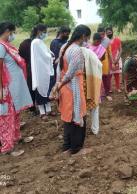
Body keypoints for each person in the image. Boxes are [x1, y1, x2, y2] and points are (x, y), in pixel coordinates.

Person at [53, 25, 91, 155]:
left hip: (65, 87)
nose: (87, 40)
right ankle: (76, 149)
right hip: (73, 87)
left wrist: (58, 84)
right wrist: (61, 83)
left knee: (68, 117)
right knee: (78, 117)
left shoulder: (65, 47)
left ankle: (67, 146)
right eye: (87, 37)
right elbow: (71, 73)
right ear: (83, 36)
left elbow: (59, 68)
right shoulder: (76, 51)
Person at [0, 22, 33, 156]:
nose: (13, 35)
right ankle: (7, 147)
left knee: (16, 113)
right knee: (7, 117)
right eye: (12, 32)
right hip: (7, 88)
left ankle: (16, 138)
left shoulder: (6, 46)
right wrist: (1, 89)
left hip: (15, 86)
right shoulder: (1, 46)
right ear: (7, 31)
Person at [31, 24, 55, 120]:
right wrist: (51, 56)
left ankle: (48, 109)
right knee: (41, 89)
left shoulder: (40, 41)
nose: (45, 34)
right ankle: (42, 112)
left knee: (47, 88)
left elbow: (47, 52)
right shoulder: (36, 42)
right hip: (40, 69)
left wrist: (50, 54)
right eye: (44, 32)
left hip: (44, 69)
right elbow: (45, 55)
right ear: (39, 32)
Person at [81, 45, 102, 135]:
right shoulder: (90, 53)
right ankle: (95, 129)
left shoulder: (73, 52)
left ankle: (81, 129)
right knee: (94, 107)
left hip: (80, 85)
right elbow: (99, 65)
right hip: (92, 84)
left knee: (80, 108)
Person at [19, 35, 36, 114]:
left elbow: (20, 55)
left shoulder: (24, 43)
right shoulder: (33, 44)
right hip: (32, 68)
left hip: (26, 67)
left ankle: (31, 106)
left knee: (30, 87)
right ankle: (32, 106)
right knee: (33, 88)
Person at [97, 27, 113, 101]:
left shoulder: (107, 41)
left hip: (105, 63)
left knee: (106, 78)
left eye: (103, 34)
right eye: (100, 34)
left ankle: (107, 94)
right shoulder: (95, 40)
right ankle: (100, 94)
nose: (102, 36)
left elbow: (110, 53)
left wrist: (112, 62)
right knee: (98, 79)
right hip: (97, 62)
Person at [106, 27, 122, 93]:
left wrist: (117, 59)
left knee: (117, 74)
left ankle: (118, 88)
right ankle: (109, 89)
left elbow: (120, 49)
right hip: (109, 60)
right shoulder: (106, 42)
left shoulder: (117, 40)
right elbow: (107, 52)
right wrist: (112, 60)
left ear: (112, 32)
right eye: (107, 33)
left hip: (117, 58)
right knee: (109, 75)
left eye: (110, 32)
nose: (109, 34)